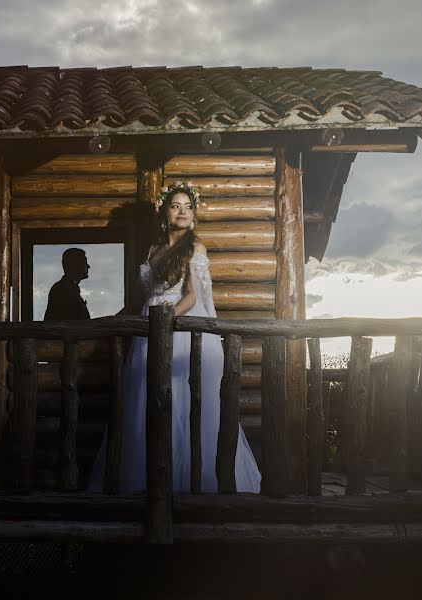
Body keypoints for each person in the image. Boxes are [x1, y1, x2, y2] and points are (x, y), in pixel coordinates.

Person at [89, 181, 261, 493]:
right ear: (164, 211)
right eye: (175, 205)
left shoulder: (194, 247)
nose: (182, 211)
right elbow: (143, 296)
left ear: (194, 214)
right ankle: (145, 480)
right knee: (145, 397)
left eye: (187, 206)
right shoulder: (154, 249)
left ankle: (194, 482)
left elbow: (193, 297)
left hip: (176, 328)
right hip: (146, 328)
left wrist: (167, 320)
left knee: (184, 400)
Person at [43, 247, 91, 321]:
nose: (88, 266)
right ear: (74, 265)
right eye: (84, 262)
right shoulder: (62, 290)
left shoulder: (64, 288)